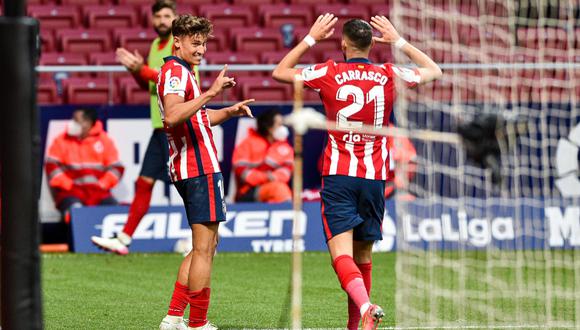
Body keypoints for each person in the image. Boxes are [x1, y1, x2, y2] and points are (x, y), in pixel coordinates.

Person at [273, 14, 442, 329]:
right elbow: (435, 70)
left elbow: (280, 72)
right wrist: (399, 41)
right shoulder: (389, 73)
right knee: (363, 255)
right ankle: (357, 325)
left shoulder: (328, 72)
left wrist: (311, 38)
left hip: (340, 175)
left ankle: (365, 306)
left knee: (341, 254)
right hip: (374, 179)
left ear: (342, 43)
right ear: (374, 43)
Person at [156, 15, 254, 330]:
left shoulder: (183, 72)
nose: (201, 49)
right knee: (204, 248)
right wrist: (211, 93)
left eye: (204, 43)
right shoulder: (174, 73)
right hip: (198, 167)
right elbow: (172, 115)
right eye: (195, 43)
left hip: (194, 168)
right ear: (178, 41)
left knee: (206, 246)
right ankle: (197, 323)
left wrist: (228, 111)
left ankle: (174, 317)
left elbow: (195, 118)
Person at [91, 0, 200, 255]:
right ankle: (124, 239)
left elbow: (178, 78)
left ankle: (202, 241)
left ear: (175, 18)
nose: (162, 20)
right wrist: (135, 72)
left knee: (186, 184)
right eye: (158, 16)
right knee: (144, 183)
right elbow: (151, 86)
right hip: (159, 126)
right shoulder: (154, 45)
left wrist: (143, 69)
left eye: (167, 16)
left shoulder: (181, 45)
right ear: (152, 20)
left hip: (178, 125)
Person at [45, 108, 124, 221]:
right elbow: (51, 166)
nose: (72, 123)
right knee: (74, 213)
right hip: (71, 192)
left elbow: (117, 168)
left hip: (98, 193)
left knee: (114, 212)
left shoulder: (104, 140)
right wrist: (68, 185)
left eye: (76, 120)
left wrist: (102, 184)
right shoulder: (61, 140)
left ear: (88, 123)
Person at [232, 109, 293, 203]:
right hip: (248, 191)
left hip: (274, 189)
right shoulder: (248, 143)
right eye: (279, 125)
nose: (283, 128)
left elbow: (286, 173)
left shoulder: (285, 147)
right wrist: (267, 177)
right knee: (279, 189)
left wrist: (270, 178)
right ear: (269, 127)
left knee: (278, 193)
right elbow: (241, 171)